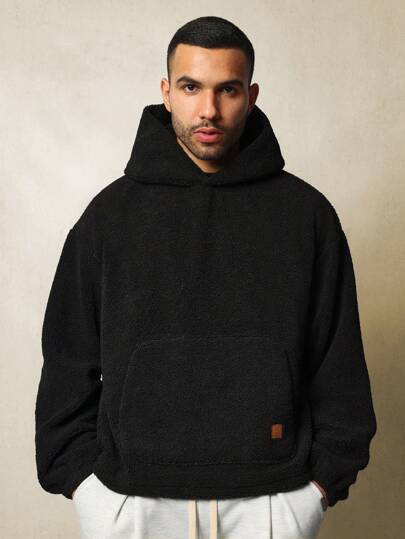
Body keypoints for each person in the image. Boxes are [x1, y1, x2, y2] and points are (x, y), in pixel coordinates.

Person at [34, 15, 377, 539]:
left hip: (273, 501)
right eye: (191, 88)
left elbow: (339, 362)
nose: (209, 110)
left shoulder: (306, 216)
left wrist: (319, 488)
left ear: (251, 96)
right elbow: (67, 357)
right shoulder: (109, 217)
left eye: (228, 90)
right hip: (132, 502)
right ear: (166, 92)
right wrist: (85, 487)